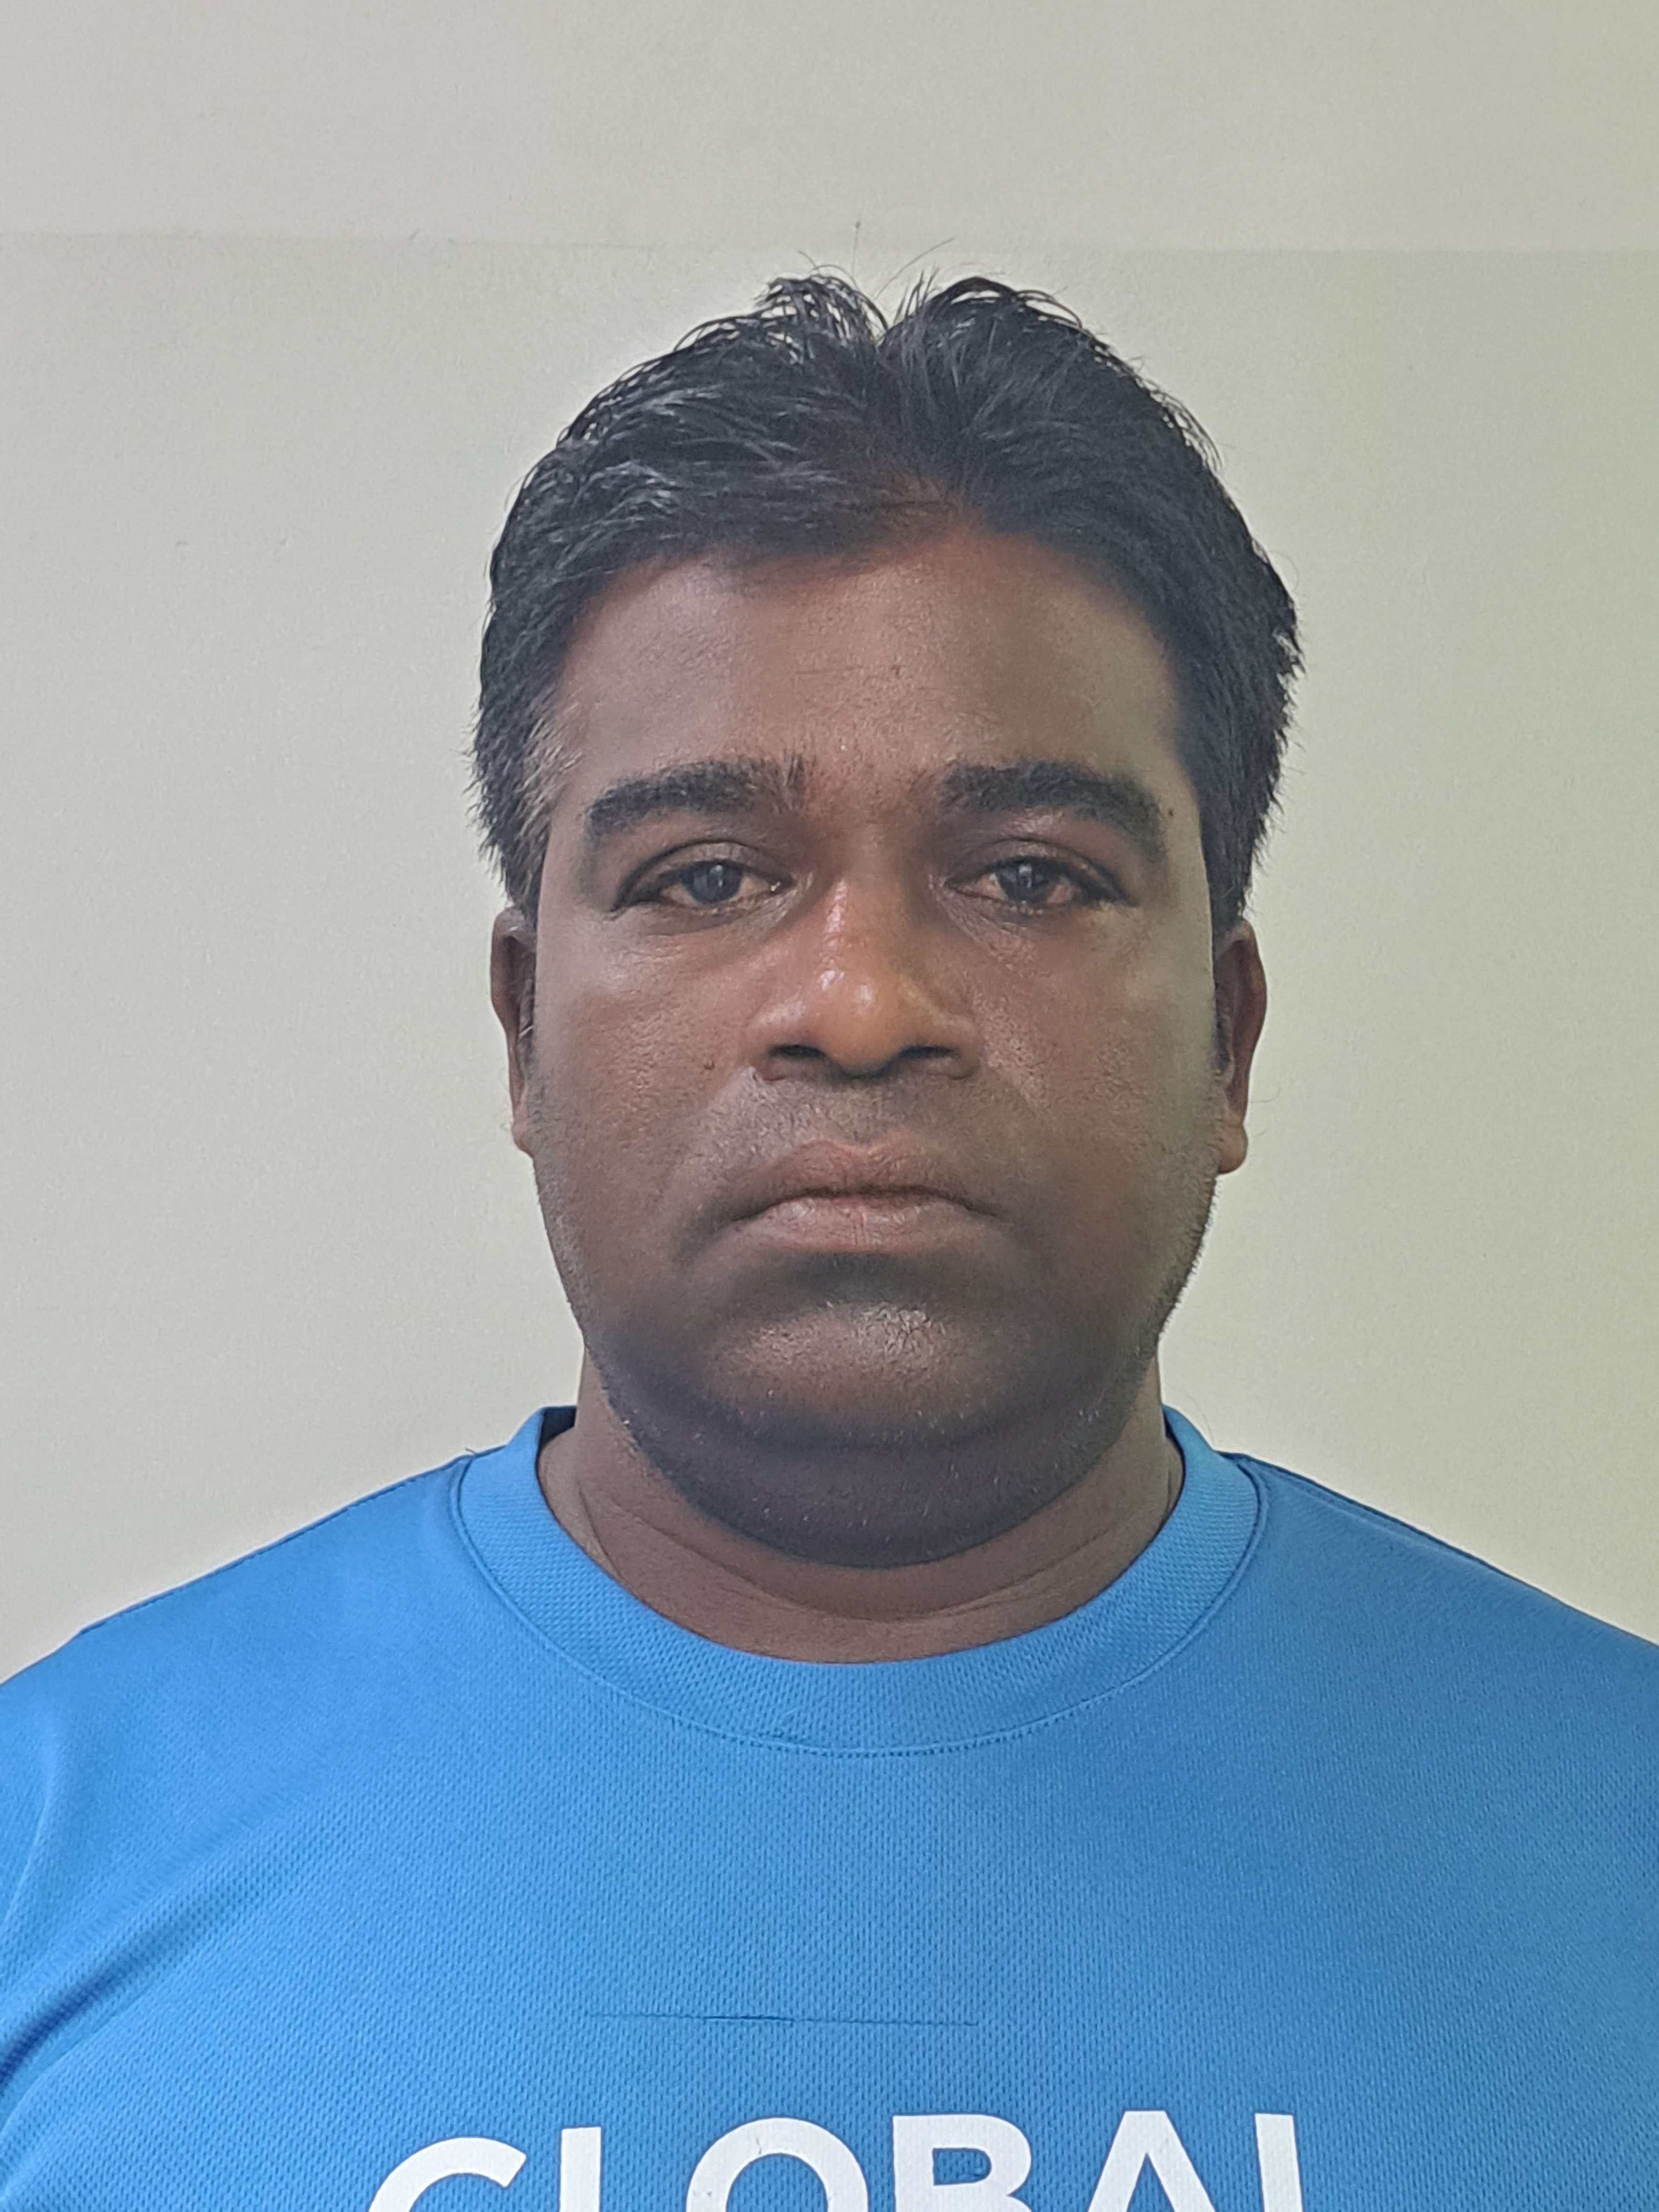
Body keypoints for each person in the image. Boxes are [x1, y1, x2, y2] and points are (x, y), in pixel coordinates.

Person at [0, 276, 1652, 2212]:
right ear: (524, 1030)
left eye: (1028, 876)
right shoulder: (56, 1841)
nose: (860, 1005)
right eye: (707, 876)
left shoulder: (1613, 1835)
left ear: (1228, 1037)